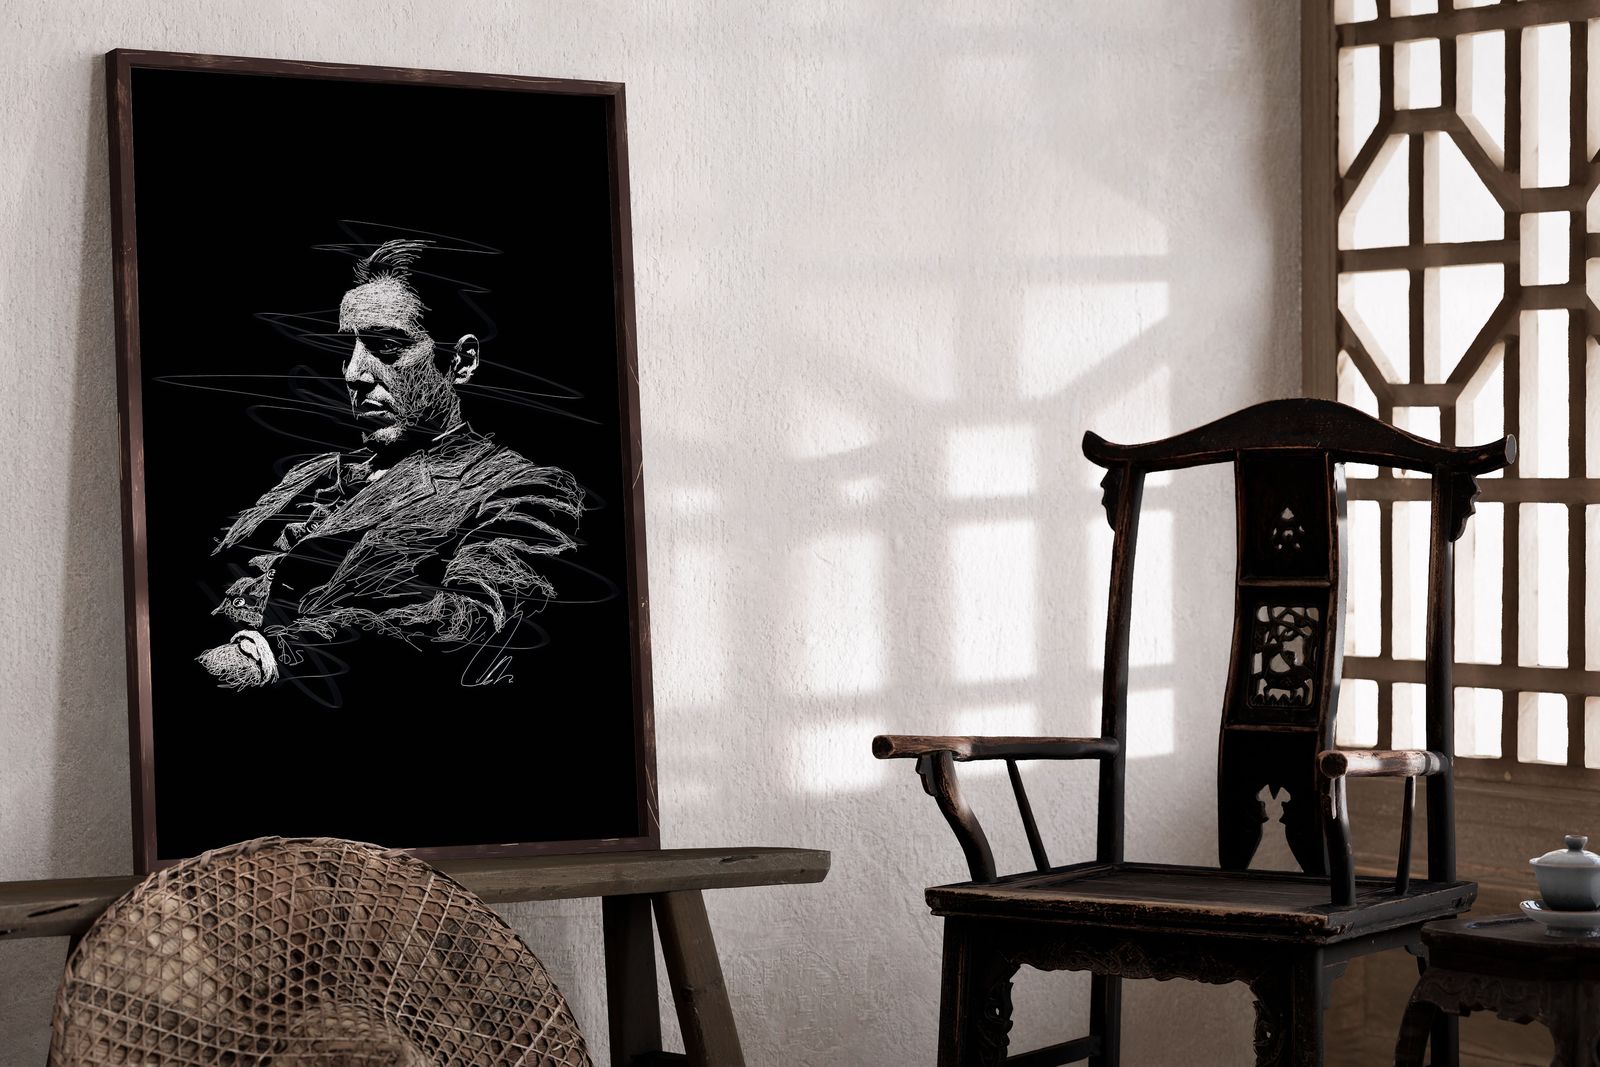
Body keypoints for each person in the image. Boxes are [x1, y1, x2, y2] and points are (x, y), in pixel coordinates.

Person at [198, 239, 583, 693]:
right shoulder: (310, 473)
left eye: (385, 347)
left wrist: (266, 660)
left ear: (461, 361)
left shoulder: (523, 489)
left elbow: (470, 622)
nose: (353, 373)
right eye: (351, 347)